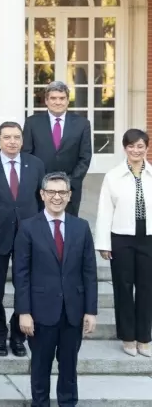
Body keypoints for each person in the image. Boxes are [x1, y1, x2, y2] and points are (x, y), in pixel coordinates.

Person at [13, 172, 98, 407]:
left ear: (70, 196)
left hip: (73, 313)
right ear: (42, 194)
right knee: (40, 368)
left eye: (62, 192)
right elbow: (21, 274)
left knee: (69, 368)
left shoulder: (81, 227)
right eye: (51, 192)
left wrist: (90, 310)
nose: (56, 197)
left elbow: (89, 271)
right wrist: (24, 312)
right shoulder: (28, 228)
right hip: (40, 314)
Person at [0, 121, 45, 358]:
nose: (12, 141)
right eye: (7, 137)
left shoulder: (35, 164)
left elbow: (42, 201)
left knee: (27, 284)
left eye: (16, 137)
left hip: (28, 233)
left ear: (22, 140)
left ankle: (18, 335)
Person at [95, 129, 152, 356]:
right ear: (124, 148)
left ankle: (144, 337)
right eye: (131, 146)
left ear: (147, 147)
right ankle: (128, 337)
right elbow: (104, 211)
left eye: (140, 146)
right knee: (123, 288)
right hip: (121, 239)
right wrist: (103, 243)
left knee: (147, 289)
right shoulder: (113, 176)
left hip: (148, 239)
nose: (135, 150)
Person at [22, 81, 93, 216]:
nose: (58, 102)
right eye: (53, 98)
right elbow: (27, 155)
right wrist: (40, 182)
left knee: (68, 229)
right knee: (40, 229)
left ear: (67, 101)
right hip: (39, 189)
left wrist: (68, 183)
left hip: (69, 189)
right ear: (46, 101)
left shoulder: (82, 124)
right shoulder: (32, 122)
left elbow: (85, 157)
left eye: (62, 98)